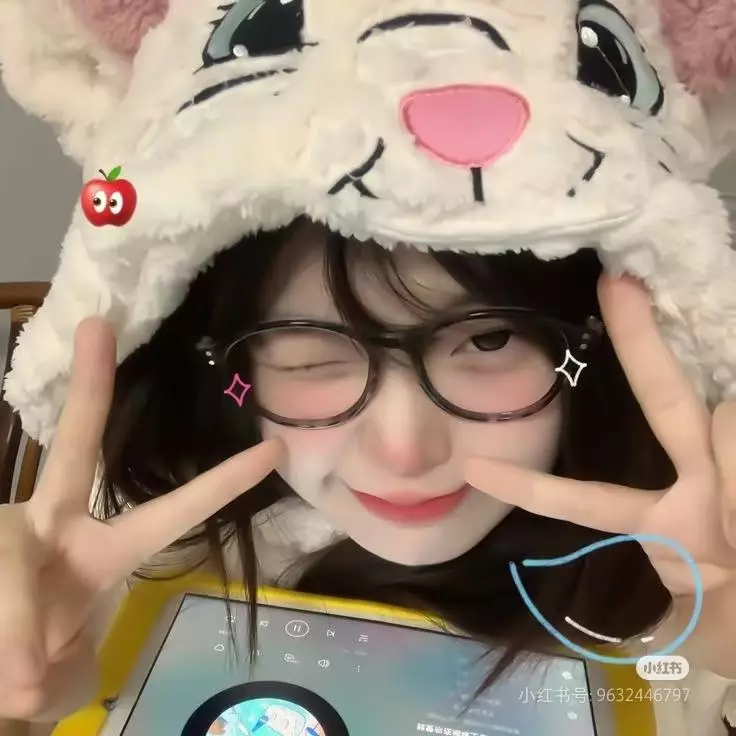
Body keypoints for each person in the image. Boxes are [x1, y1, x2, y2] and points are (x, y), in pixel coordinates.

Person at [0, 1, 734, 734]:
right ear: (228, 368)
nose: (404, 451)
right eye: (312, 353)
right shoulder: (131, 555)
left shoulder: (690, 588)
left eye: (488, 341)